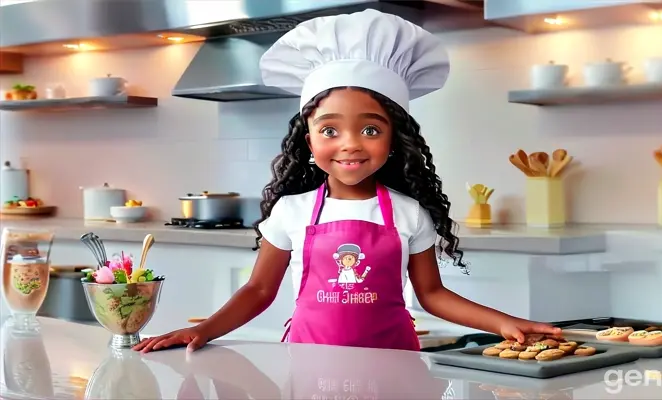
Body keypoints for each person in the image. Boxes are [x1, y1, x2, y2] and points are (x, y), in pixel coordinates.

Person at [134, 9, 560, 354]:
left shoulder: (409, 213)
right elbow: (260, 288)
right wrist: (204, 330)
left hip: (393, 361)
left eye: (371, 130)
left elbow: (432, 294)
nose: (351, 145)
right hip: (307, 358)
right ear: (309, 140)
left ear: (395, 140)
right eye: (330, 130)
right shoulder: (292, 211)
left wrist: (503, 322)